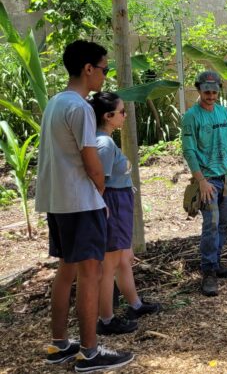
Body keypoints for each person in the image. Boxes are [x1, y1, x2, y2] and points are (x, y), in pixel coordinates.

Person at [36, 40, 134, 371]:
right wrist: (100, 194)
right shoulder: (79, 108)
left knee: (67, 271)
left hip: (59, 202)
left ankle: (60, 344)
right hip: (81, 203)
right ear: (88, 69)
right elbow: (92, 162)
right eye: (104, 68)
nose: (104, 76)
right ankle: (90, 352)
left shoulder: (55, 103)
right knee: (90, 274)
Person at [89, 92, 162, 335]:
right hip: (113, 204)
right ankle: (106, 320)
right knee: (109, 266)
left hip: (120, 202)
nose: (125, 115)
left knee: (122, 261)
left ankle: (135, 305)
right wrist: (103, 208)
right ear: (108, 116)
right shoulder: (104, 144)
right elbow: (98, 181)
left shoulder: (106, 140)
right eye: (121, 112)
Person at [181, 71, 227, 297]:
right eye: (206, 91)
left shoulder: (223, 112)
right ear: (198, 90)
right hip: (207, 180)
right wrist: (201, 181)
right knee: (211, 222)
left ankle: (216, 263)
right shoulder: (191, 116)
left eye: (214, 92)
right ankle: (208, 272)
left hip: (225, 176)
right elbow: (188, 151)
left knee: (225, 221)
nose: (211, 96)